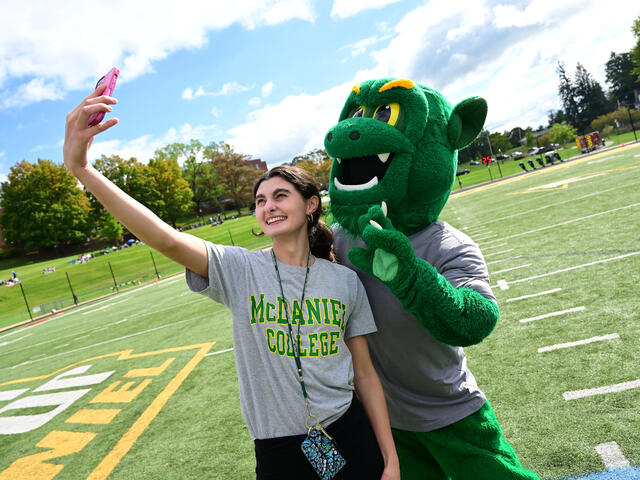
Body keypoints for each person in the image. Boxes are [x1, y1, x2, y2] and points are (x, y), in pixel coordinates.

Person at [63, 84, 400, 480]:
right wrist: (82, 169)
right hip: (278, 449)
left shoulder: (344, 281)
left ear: (310, 205)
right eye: (260, 200)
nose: (268, 206)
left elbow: (364, 375)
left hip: (349, 431)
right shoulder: (239, 269)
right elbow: (164, 237)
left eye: (280, 195)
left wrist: (390, 459)